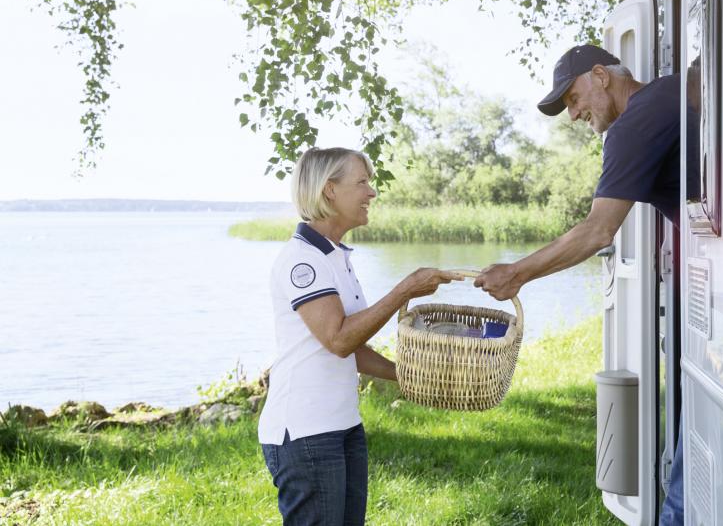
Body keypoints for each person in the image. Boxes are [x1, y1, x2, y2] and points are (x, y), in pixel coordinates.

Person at [475, 44, 696, 525]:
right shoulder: (675, 91)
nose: (573, 115)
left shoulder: (634, 122)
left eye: (573, 99)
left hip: (721, 304)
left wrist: (516, 273)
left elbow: (597, 231)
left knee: (692, 456)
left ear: (601, 76)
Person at [258, 146, 462, 526]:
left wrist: (414, 377)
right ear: (329, 190)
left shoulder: (337, 255)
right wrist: (404, 291)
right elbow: (337, 339)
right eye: (363, 182)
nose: (372, 192)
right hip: (306, 431)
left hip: (343, 423)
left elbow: (352, 350)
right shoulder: (302, 261)